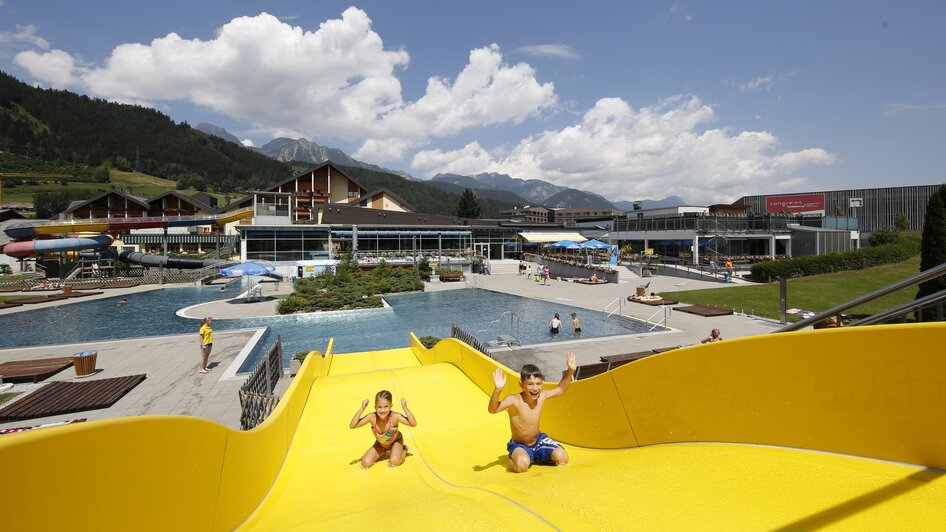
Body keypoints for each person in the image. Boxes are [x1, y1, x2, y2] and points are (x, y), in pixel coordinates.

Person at [488, 353, 576, 473]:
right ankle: (515, 460)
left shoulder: (542, 396)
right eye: (530, 384)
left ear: (542, 384)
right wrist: (497, 390)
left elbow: (560, 389)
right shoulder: (514, 400)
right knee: (521, 467)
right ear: (522, 385)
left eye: (538, 384)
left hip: (538, 440)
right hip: (520, 444)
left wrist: (570, 370)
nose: (535, 388)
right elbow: (492, 409)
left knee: (562, 458)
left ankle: (536, 455)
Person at [349, 390, 418, 468]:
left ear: (391, 406)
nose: (382, 410)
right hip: (380, 444)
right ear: (375, 407)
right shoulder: (372, 417)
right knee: (365, 463)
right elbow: (353, 425)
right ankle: (383, 451)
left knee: (394, 462)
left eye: (386, 406)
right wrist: (362, 408)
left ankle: (404, 449)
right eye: (379, 407)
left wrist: (405, 407)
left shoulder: (395, 417)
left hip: (395, 442)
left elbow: (413, 424)